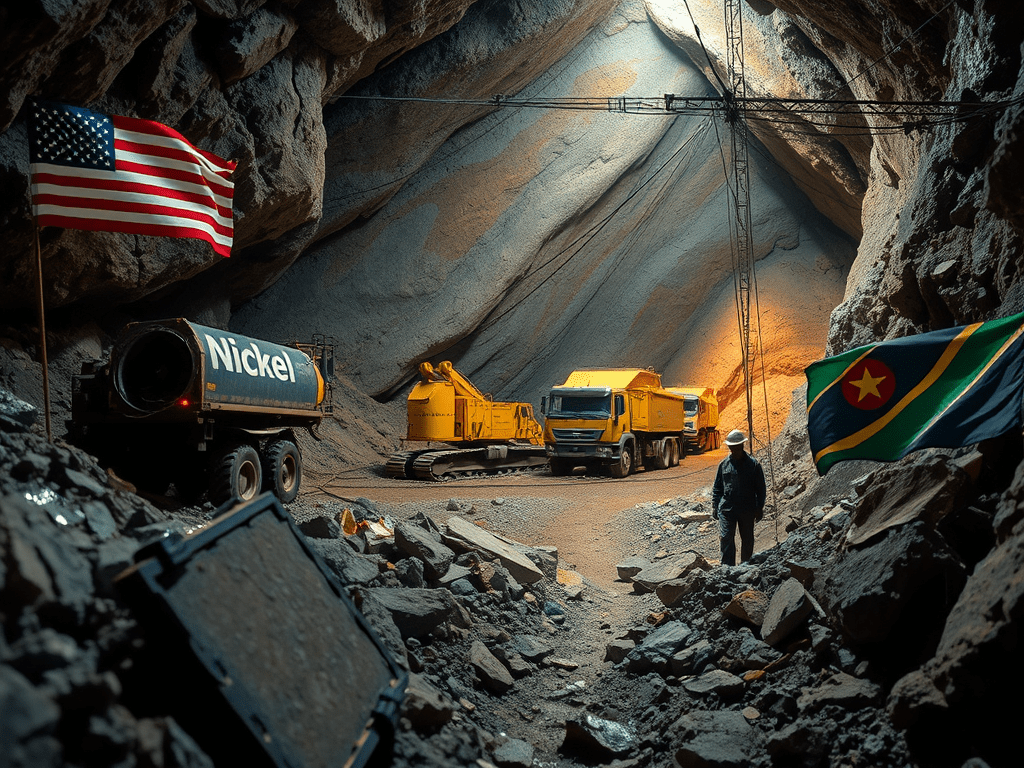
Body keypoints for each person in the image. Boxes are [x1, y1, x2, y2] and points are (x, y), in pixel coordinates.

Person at [711, 429, 766, 566]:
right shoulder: (723, 465)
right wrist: (715, 506)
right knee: (726, 538)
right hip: (727, 508)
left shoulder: (753, 465)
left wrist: (759, 507)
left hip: (747, 508)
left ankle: (745, 567)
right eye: (731, 447)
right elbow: (717, 487)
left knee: (747, 539)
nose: (732, 450)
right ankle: (727, 568)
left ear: (741, 446)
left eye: (735, 447)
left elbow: (761, 489)